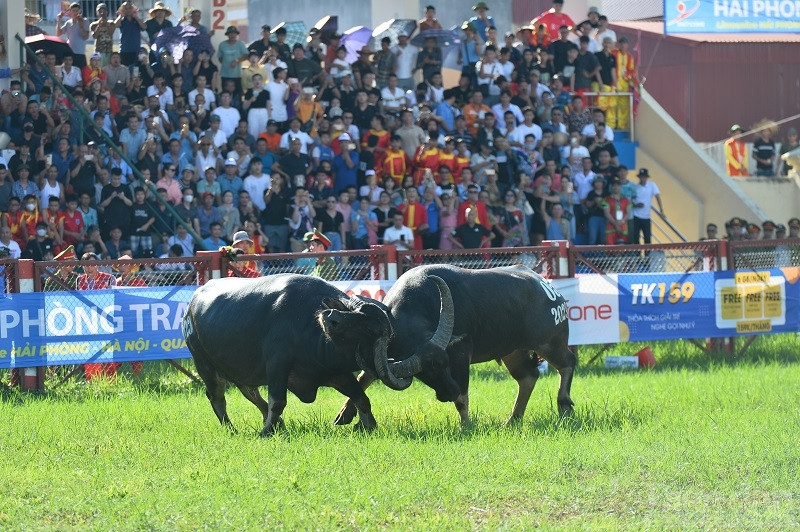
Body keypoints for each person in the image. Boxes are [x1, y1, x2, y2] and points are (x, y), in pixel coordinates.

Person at [77, 252, 120, 380]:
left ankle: (110, 380)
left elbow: (115, 298)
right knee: (91, 351)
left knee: (107, 351)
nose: (89, 268)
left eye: (92, 265)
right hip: (87, 319)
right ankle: (93, 380)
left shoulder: (109, 278)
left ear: (97, 265)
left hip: (105, 319)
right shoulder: (79, 279)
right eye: (86, 265)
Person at [631, 168, 663, 244]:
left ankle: (647, 255)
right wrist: (636, 205)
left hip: (646, 216)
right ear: (639, 177)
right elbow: (630, 201)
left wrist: (661, 210)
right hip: (636, 215)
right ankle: (637, 255)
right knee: (636, 237)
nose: (643, 178)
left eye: (644, 177)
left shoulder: (652, 185)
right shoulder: (635, 187)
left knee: (647, 238)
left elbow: (658, 197)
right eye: (641, 176)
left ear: (647, 177)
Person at [57, 2, 89, 68]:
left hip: (80, 54)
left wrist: (81, 26)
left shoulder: (85, 21)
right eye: (73, 11)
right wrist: (59, 20)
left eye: (77, 10)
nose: (75, 12)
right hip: (69, 54)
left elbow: (86, 37)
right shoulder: (68, 23)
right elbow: (58, 33)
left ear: (80, 11)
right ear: (70, 12)